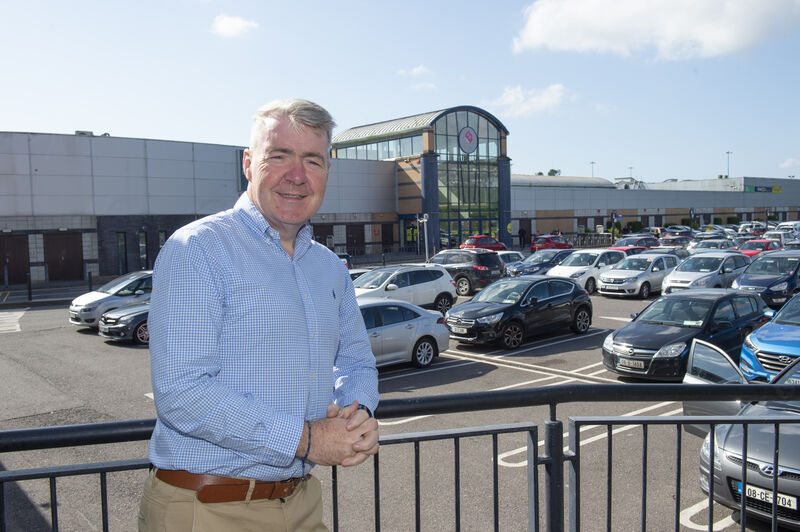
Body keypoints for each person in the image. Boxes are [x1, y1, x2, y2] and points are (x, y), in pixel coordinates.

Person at [138, 99, 379, 532]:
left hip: (302, 503)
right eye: (279, 156)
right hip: (208, 508)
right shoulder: (198, 250)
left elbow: (356, 361)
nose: (297, 175)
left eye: (312, 160)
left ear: (327, 171)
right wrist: (307, 440)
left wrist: (355, 416)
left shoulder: (327, 267)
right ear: (249, 164)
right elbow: (181, 392)